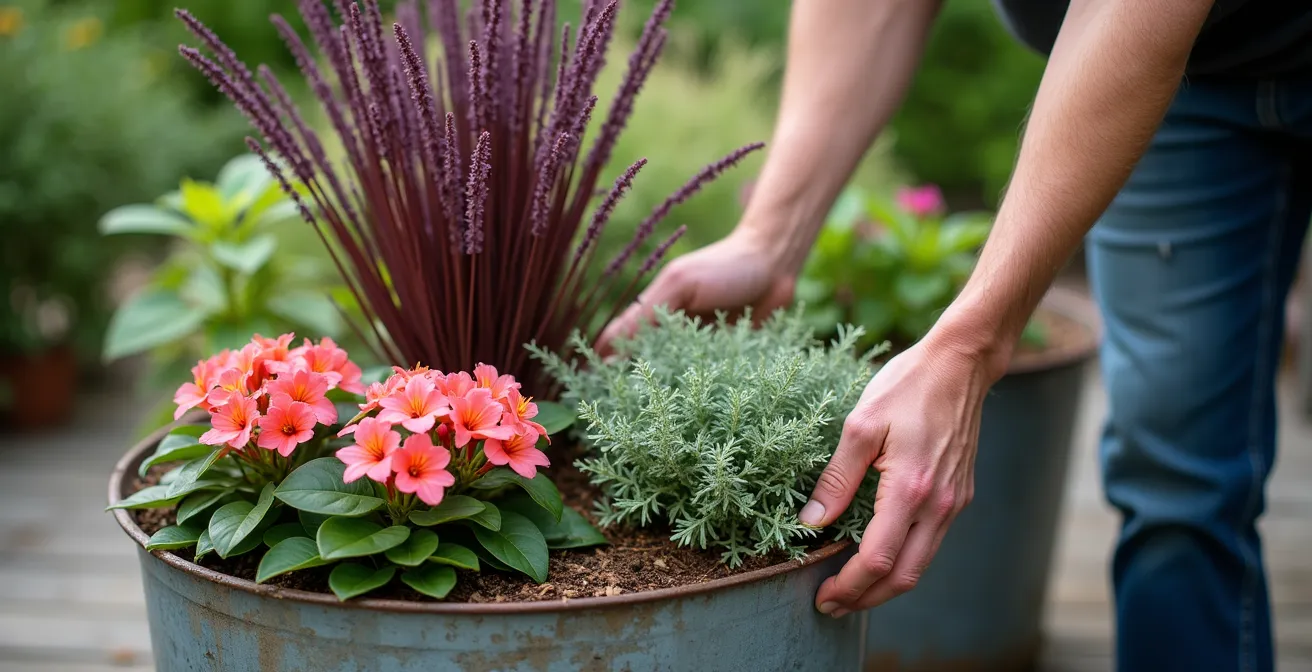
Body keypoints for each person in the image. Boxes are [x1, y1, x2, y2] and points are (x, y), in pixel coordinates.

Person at [596, 0, 1312, 669]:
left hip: (1149, 30)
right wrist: (770, 237)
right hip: (1195, 81)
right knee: (1175, 481)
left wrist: (969, 344)